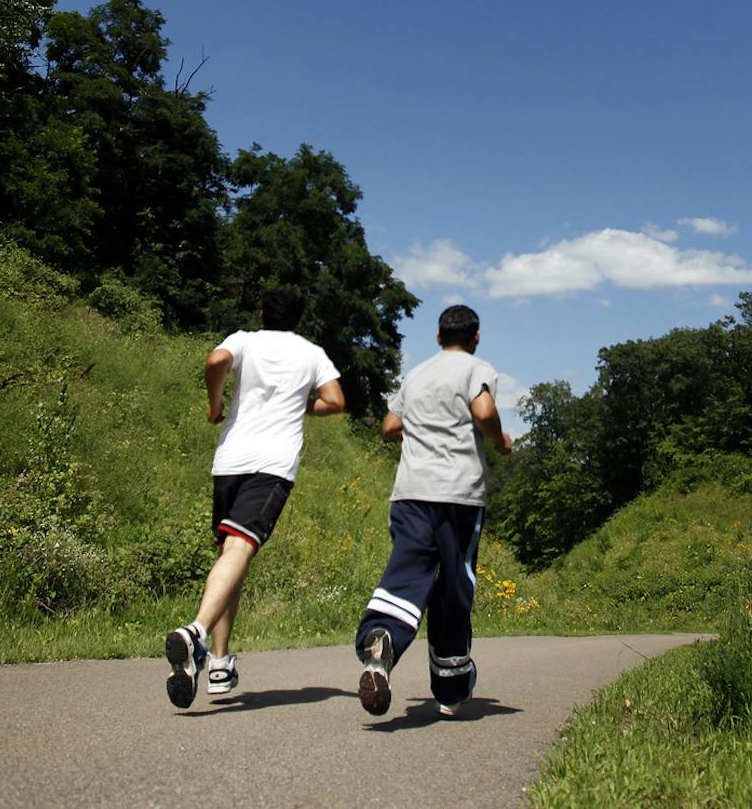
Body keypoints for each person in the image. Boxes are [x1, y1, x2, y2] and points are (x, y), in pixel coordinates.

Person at [164, 285, 344, 708]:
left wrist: (214, 407)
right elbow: (335, 401)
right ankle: (197, 635)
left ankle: (221, 662)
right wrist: (302, 405)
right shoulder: (312, 353)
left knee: (232, 554)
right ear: (299, 320)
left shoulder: (242, 340)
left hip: (229, 462)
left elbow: (215, 361)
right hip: (272, 465)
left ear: (262, 314)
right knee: (240, 548)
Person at [353, 303, 513, 718]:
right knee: (455, 584)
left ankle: (381, 639)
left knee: (408, 570)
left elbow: (390, 427)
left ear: (439, 337)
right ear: (475, 338)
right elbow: (482, 411)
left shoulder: (417, 374)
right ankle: (450, 682)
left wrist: (425, 423)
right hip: (457, 495)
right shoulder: (477, 369)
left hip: (409, 493)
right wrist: (498, 440)